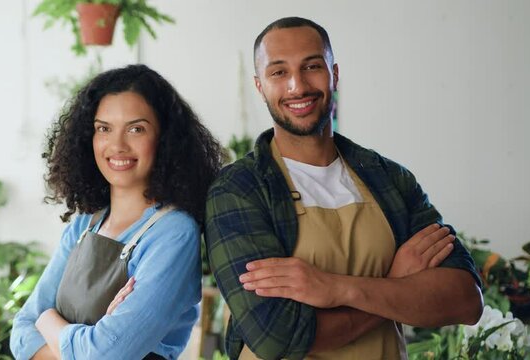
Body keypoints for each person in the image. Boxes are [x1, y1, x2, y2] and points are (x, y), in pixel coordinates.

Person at [205, 17, 483, 360]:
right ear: (260, 86)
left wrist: (335, 288)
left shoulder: (388, 178)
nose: (298, 85)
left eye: (312, 66)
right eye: (279, 72)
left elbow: (465, 299)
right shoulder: (239, 190)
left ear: (334, 74)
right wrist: (394, 283)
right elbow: (277, 338)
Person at [10, 64, 223, 359]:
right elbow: (21, 332)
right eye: (103, 128)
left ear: (165, 139)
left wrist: (47, 320)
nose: (117, 145)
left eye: (136, 129)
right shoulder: (86, 223)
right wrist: (87, 340)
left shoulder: (174, 232)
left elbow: (105, 354)